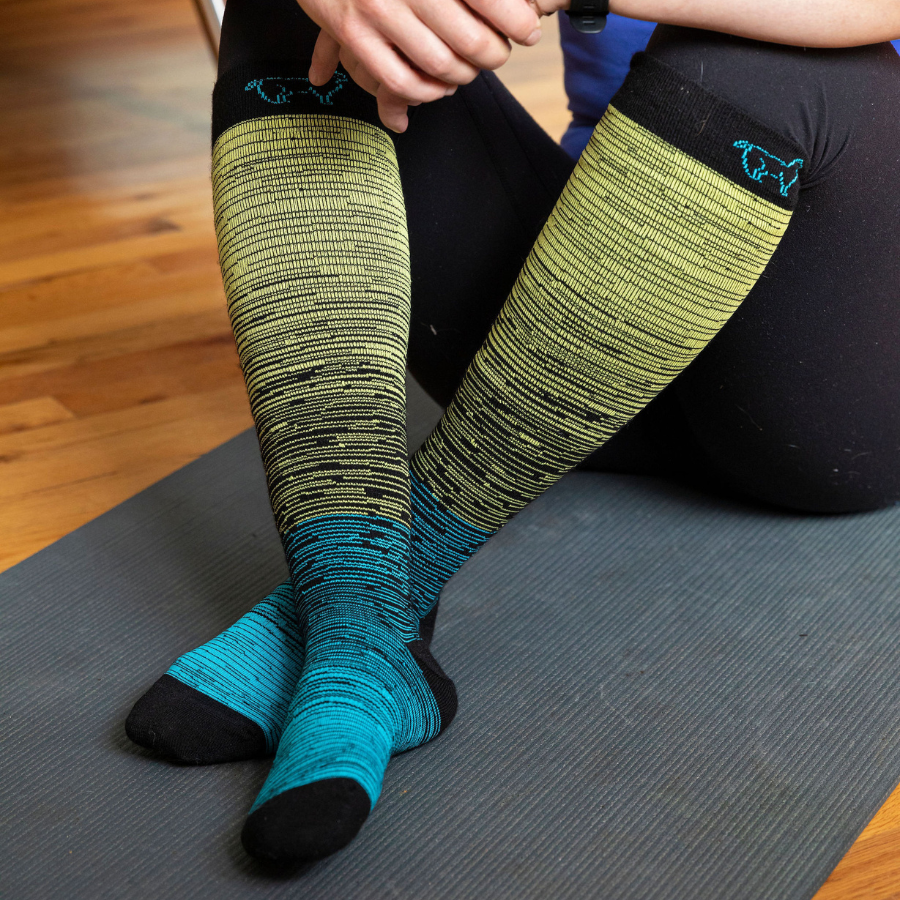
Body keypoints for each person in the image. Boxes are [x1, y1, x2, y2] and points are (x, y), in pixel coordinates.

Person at [125, 0, 900, 864]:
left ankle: (375, 597)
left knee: (773, 55)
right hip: (589, 305)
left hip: (844, 372)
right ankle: (358, 621)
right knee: (289, 8)